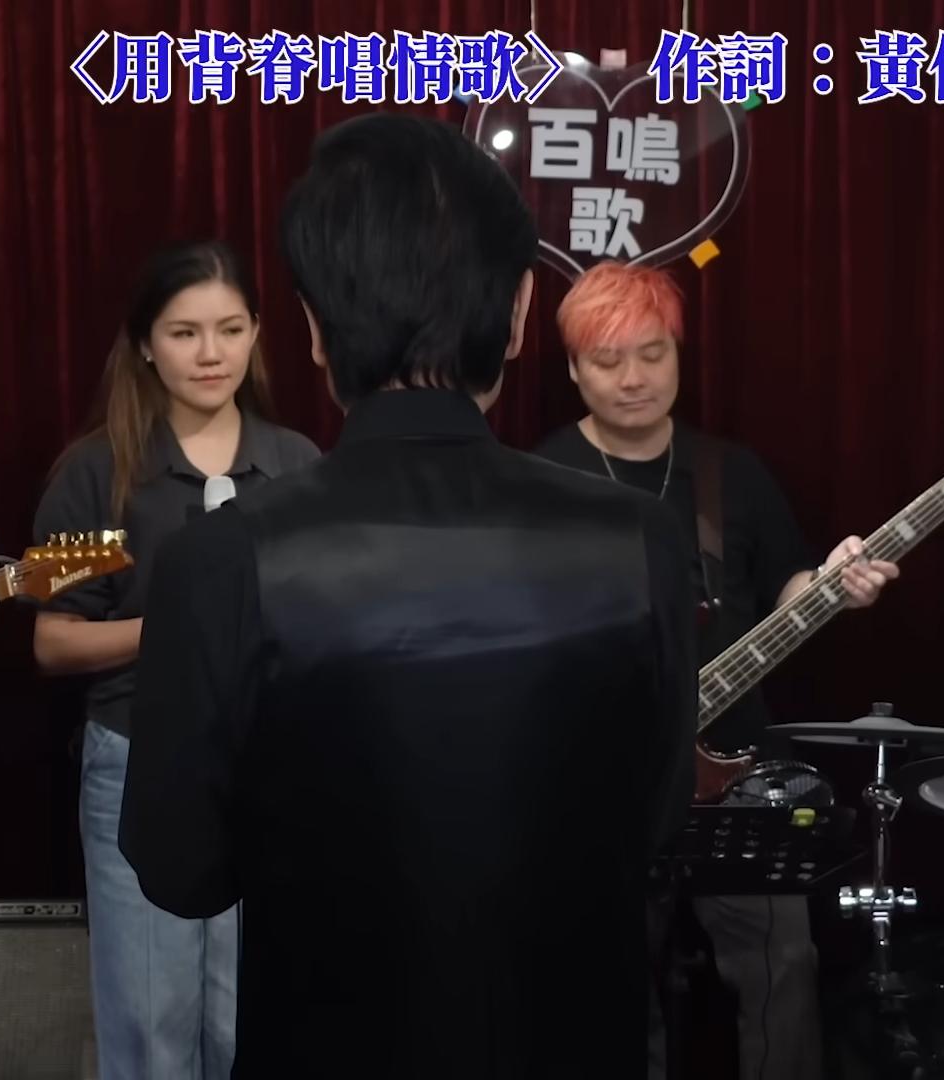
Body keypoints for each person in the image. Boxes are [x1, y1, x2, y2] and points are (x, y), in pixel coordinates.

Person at [117, 112, 698, 1078]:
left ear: (310, 327)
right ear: (521, 311)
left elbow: (180, 870)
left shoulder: (217, 560)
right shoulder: (642, 539)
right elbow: (658, 815)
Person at [533, 261, 897, 1080]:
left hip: (739, 774)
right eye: (608, 360)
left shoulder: (730, 472)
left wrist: (834, 584)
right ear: (574, 370)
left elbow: (788, 586)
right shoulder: (541, 479)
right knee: (611, 985)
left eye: (652, 354)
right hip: (597, 785)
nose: (634, 378)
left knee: (784, 965)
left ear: (679, 354)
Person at [30, 240, 319, 1080]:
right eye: (185, 333)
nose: (210, 353)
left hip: (271, 765)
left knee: (250, 1019)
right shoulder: (100, 471)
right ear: (146, 345)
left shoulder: (298, 465)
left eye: (230, 329)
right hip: (137, 756)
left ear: (257, 333)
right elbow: (53, 639)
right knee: (152, 1021)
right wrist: (179, 628)